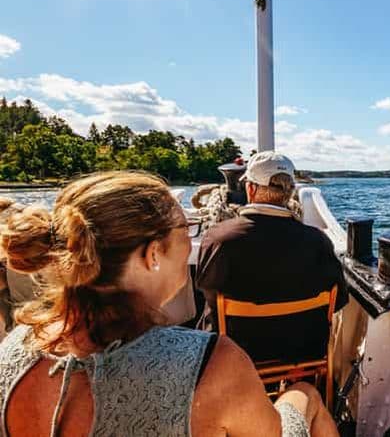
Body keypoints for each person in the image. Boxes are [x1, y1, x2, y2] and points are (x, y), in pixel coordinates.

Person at [0, 171, 337, 436]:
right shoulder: (214, 364)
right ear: (152, 254)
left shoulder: (13, 349)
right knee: (305, 395)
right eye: (185, 227)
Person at [196, 151, 348, 363]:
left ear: (250, 188)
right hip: (304, 352)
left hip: (235, 357)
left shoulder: (219, 239)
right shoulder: (318, 241)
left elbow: (209, 295)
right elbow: (339, 299)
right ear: (290, 192)